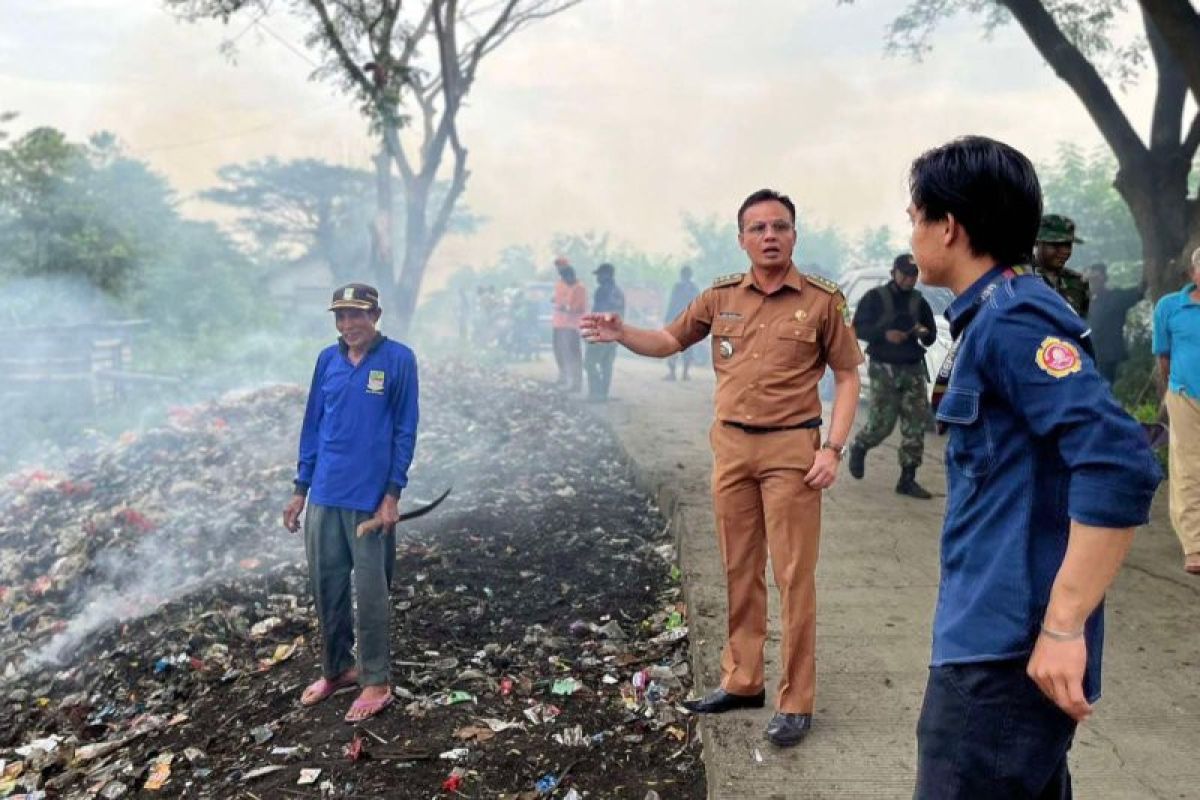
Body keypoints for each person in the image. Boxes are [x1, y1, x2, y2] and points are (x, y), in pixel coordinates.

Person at [907, 136, 1161, 798]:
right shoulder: (990, 316)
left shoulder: (1013, 319)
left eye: (915, 216)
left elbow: (1119, 458)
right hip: (990, 635)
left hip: (1002, 654)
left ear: (949, 226)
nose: (912, 234)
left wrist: (1063, 623)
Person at [581, 188, 863, 748]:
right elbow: (667, 340)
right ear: (742, 239)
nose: (769, 236)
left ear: (794, 236)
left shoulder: (822, 301)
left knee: (793, 576)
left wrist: (832, 449)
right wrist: (621, 332)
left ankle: (796, 699)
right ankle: (743, 680)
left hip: (792, 453)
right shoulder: (719, 297)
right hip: (732, 450)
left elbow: (848, 375)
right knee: (739, 568)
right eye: (757, 228)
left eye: (780, 226)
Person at [282, 283, 420, 723]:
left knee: (371, 592)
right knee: (328, 589)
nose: (347, 325)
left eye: (356, 315)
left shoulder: (399, 359)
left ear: (375, 315)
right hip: (324, 494)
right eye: (340, 317)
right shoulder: (327, 360)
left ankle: (376, 680)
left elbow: (404, 430)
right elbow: (312, 425)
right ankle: (338, 669)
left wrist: (392, 494)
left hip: (368, 501)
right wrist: (300, 489)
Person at [847, 253, 938, 499]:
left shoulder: (920, 302)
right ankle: (861, 445)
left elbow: (931, 336)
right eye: (905, 274)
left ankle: (907, 478)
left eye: (913, 275)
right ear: (894, 273)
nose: (909, 280)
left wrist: (923, 332)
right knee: (882, 423)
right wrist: (884, 334)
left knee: (915, 424)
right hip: (884, 366)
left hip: (912, 367)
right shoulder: (875, 298)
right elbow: (858, 328)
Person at [1152, 249, 1200, 575]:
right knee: (1188, 466)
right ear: (1194, 271)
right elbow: (1163, 358)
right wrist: (1170, 393)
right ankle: (1195, 545)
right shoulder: (1170, 306)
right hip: (1185, 395)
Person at [1086, 262, 1145, 384]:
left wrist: (1150, 272)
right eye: (1090, 280)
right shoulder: (1088, 303)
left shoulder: (1115, 298)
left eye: (1096, 279)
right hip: (1092, 357)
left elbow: (1139, 291)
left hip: (1110, 358)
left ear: (1103, 279)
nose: (1093, 283)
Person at [1032, 214, 1090, 318]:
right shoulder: (1017, 278)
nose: (1065, 251)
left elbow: (1081, 324)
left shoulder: (1078, 282)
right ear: (1037, 243)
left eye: (1068, 245)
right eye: (1056, 244)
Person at [584, 262, 625, 402]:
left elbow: (598, 313)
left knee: (589, 362)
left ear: (606, 275)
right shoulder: (618, 292)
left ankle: (595, 393)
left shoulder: (602, 290)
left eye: (599, 275)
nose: (597, 278)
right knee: (606, 364)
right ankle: (603, 394)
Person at [551, 258, 587, 392]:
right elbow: (559, 298)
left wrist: (565, 308)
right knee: (559, 352)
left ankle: (576, 383)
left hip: (572, 326)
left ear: (571, 275)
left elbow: (578, 308)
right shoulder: (560, 283)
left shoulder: (579, 288)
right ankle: (564, 377)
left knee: (573, 354)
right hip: (559, 324)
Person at [664, 266, 700, 381]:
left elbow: (672, 303)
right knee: (688, 348)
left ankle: (672, 373)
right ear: (691, 275)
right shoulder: (694, 288)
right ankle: (685, 374)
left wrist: (667, 319)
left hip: (677, 320)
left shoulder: (677, 287)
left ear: (681, 274)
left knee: (673, 346)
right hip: (690, 322)